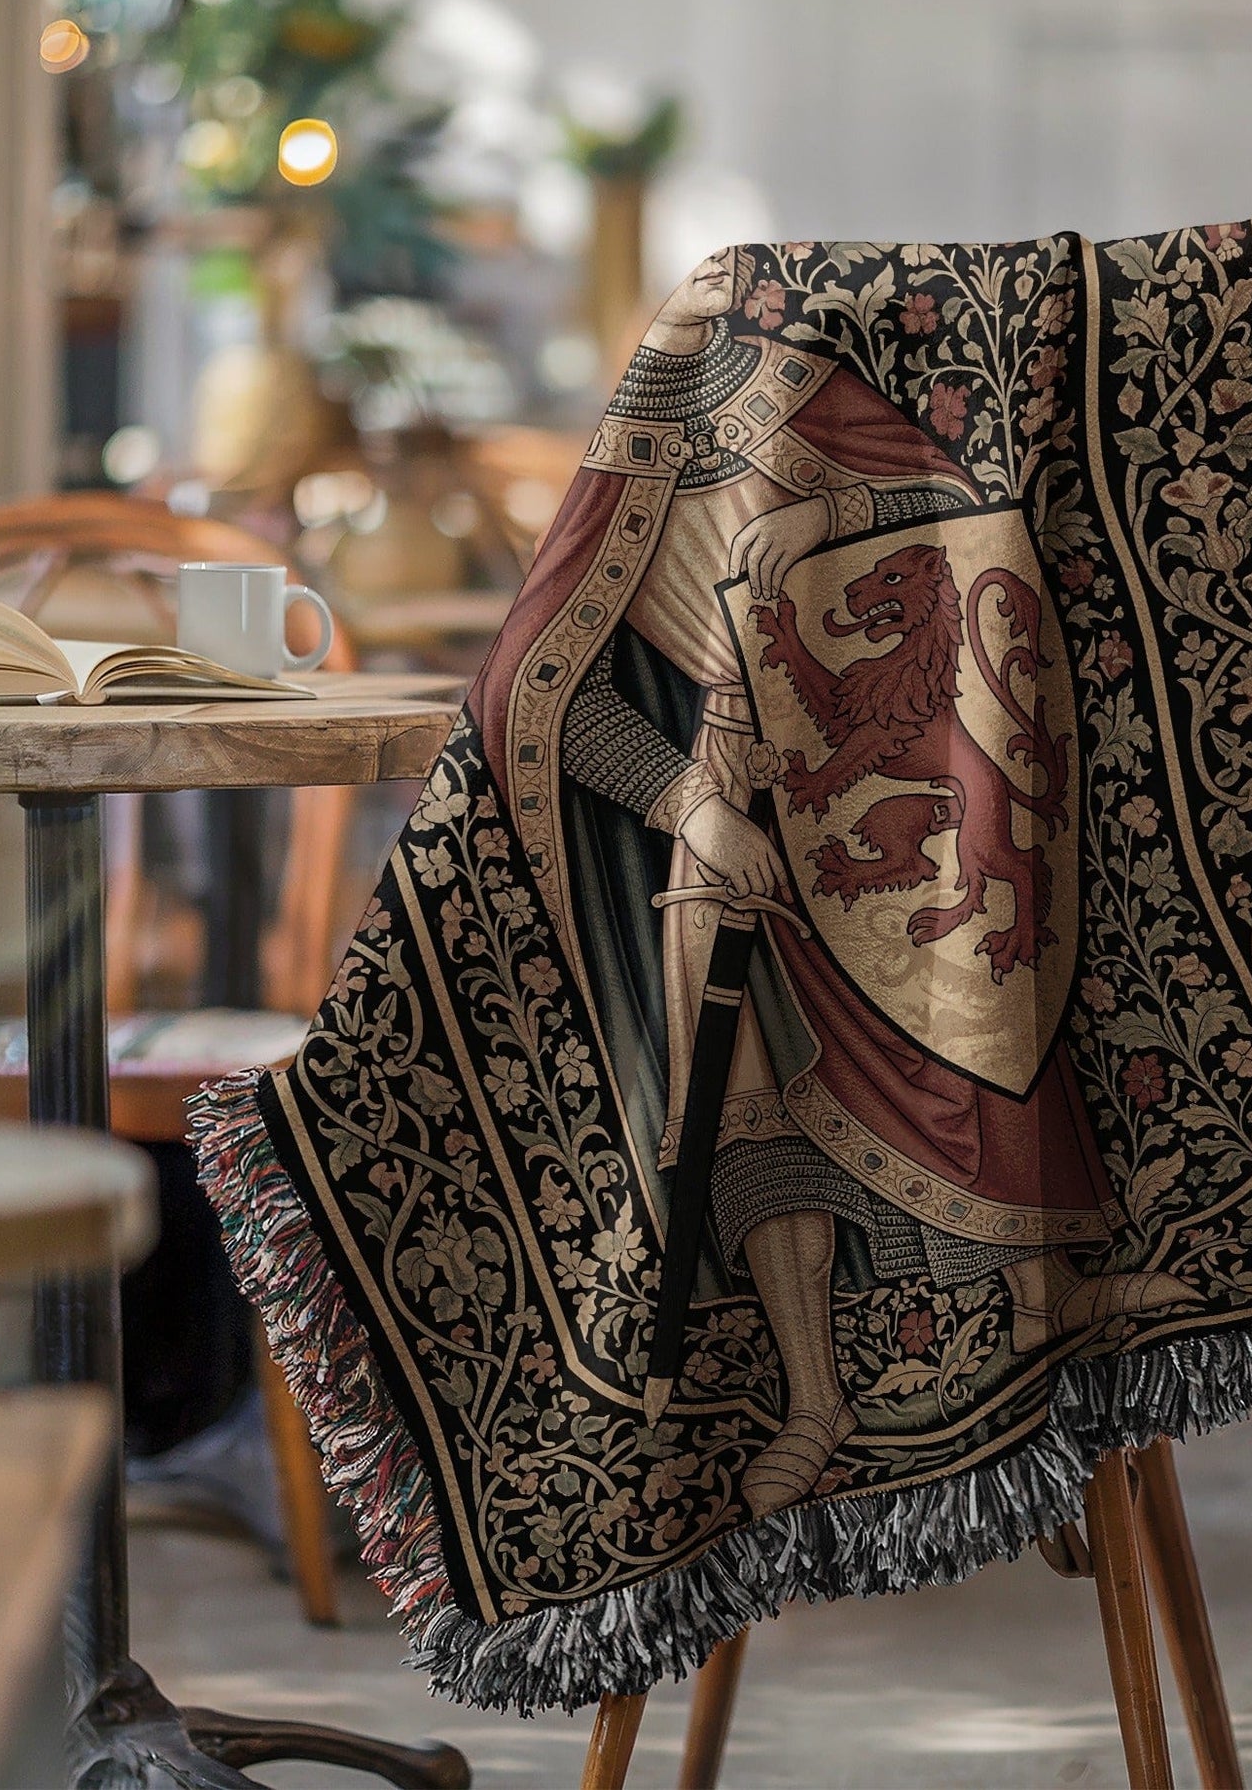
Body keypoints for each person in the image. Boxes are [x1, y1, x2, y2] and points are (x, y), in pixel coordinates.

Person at [478, 250, 1190, 1516]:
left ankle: (1037, 1317)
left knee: (991, 971)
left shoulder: (834, 404)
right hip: (728, 828)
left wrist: (835, 520)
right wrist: (687, 805)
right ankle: (814, 1396)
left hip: (898, 814)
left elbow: (967, 529)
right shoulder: (641, 459)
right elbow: (542, 688)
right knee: (746, 1090)